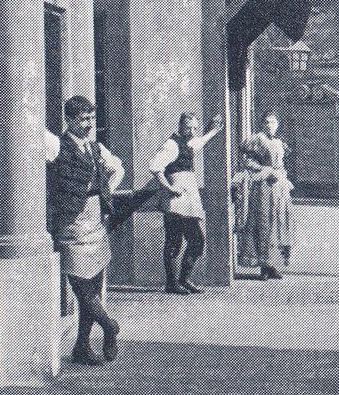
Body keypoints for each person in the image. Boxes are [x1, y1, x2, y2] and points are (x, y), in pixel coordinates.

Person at [42, 95, 128, 366]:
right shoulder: (57, 146)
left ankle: (81, 347)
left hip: (95, 223)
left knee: (92, 287)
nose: (89, 124)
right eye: (83, 119)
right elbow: (34, 129)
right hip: (71, 224)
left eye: (92, 118)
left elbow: (118, 169)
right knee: (82, 288)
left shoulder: (97, 149)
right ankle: (109, 326)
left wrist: (105, 192)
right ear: (69, 120)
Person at [149, 111, 223, 295]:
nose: (191, 131)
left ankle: (183, 280)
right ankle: (172, 283)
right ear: (180, 126)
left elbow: (199, 142)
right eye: (187, 127)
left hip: (189, 197)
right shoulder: (171, 145)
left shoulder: (189, 143)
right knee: (175, 241)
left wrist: (212, 131)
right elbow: (155, 166)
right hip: (177, 199)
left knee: (196, 240)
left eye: (194, 128)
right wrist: (168, 188)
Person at [233, 118, 292, 279]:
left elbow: (281, 163)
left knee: (277, 223)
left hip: (278, 186)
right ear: (262, 124)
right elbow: (246, 160)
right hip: (263, 185)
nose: (269, 126)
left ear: (277, 125)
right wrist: (264, 169)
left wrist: (280, 175)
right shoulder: (258, 139)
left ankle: (273, 265)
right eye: (266, 122)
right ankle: (263, 266)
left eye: (273, 123)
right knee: (263, 221)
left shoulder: (279, 142)